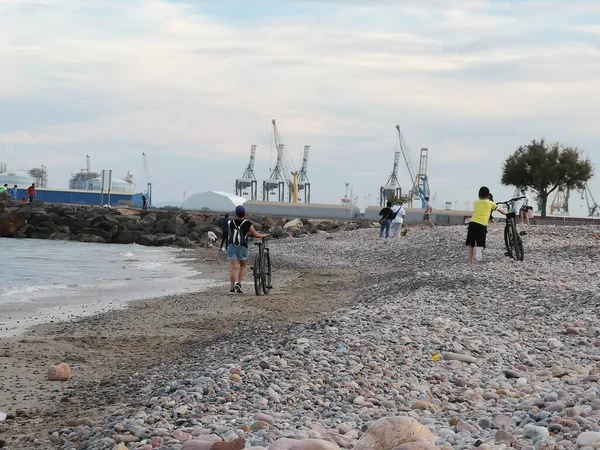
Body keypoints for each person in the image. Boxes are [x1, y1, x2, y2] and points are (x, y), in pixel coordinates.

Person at [227, 205, 268, 295]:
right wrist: (264, 235)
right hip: (242, 245)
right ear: (244, 213)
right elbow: (256, 234)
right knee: (243, 266)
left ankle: (232, 289)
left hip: (232, 245)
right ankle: (239, 283)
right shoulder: (247, 223)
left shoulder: (231, 222)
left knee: (234, 267)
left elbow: (230, 234)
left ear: (236, 213)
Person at [466, 186, 507, 267]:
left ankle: (470, 264)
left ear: (478, 195)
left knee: (470, 245)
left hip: (472, 223)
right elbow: (501, 211)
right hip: (482, 225)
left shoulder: (475, 203)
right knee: (481, 245)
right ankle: (479, 250)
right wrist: (507, 213)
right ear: (488, 195)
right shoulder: (491, 203)